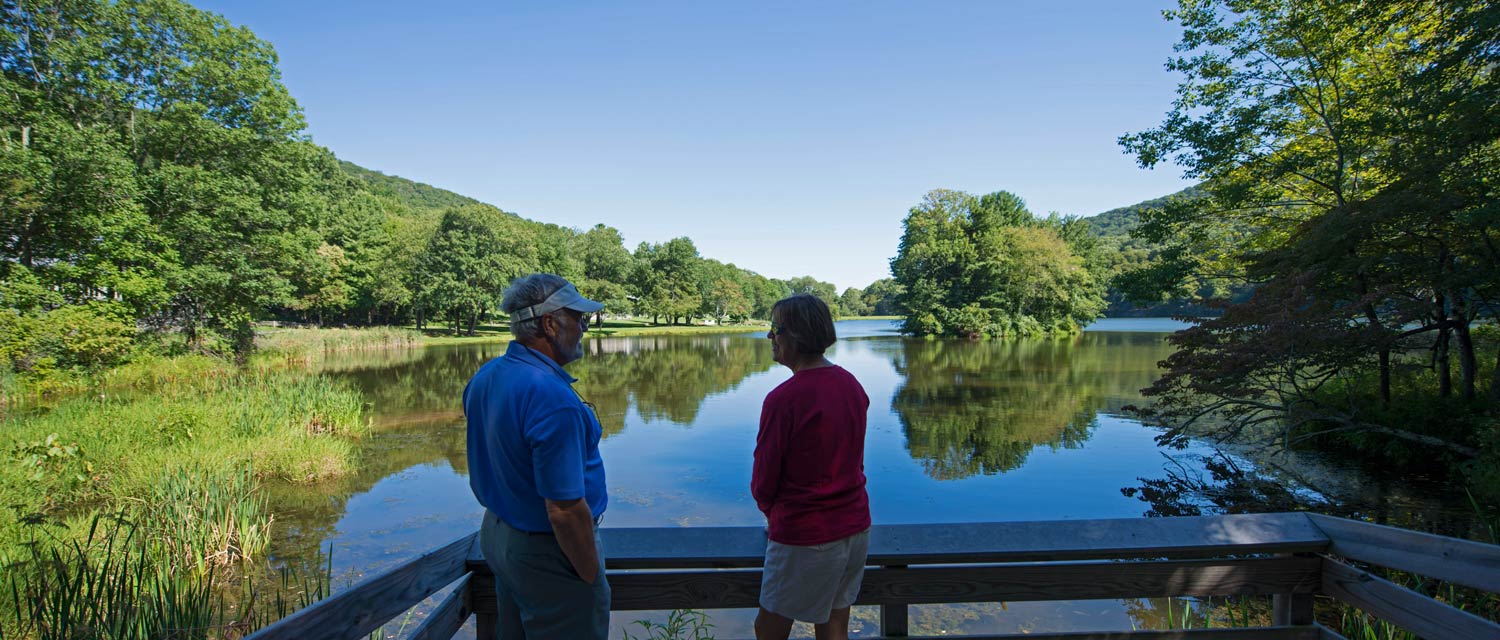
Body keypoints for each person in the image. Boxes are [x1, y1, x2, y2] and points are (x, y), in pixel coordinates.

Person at [464, 273, 609, 640]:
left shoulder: (487, 375)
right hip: (548, 552)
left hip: (499, 536)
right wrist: (588, 576)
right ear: (549, 324)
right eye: (579, 318)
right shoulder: (552, 399)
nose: (583, 329)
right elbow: (563, 509)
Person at [751, 294, 872, 640]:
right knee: (834, 625)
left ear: (797, 336)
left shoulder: (784, 399)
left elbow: (764, 481)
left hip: (807, 533)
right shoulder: (851, 385)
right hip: (854, 528)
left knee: (770, 629)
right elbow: (853, 460)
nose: (770, 337)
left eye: (776, 329)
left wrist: (773, 514)